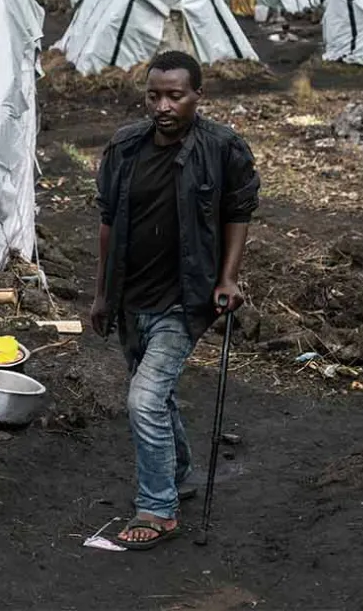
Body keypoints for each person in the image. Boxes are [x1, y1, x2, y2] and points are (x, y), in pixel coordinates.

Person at [91, 51, 259, 550]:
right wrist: (103, 295)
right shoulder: (124, 147)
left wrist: (228, 279)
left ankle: (158, 508)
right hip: (130, 297)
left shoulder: (222, 148)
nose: (162, 106)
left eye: (175, 95)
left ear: (197, 96)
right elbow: (107, 223)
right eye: (154, 95)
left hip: (185, 301)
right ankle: (179, 469)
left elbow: (238, 213)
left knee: (143, 399)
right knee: (155, 396)